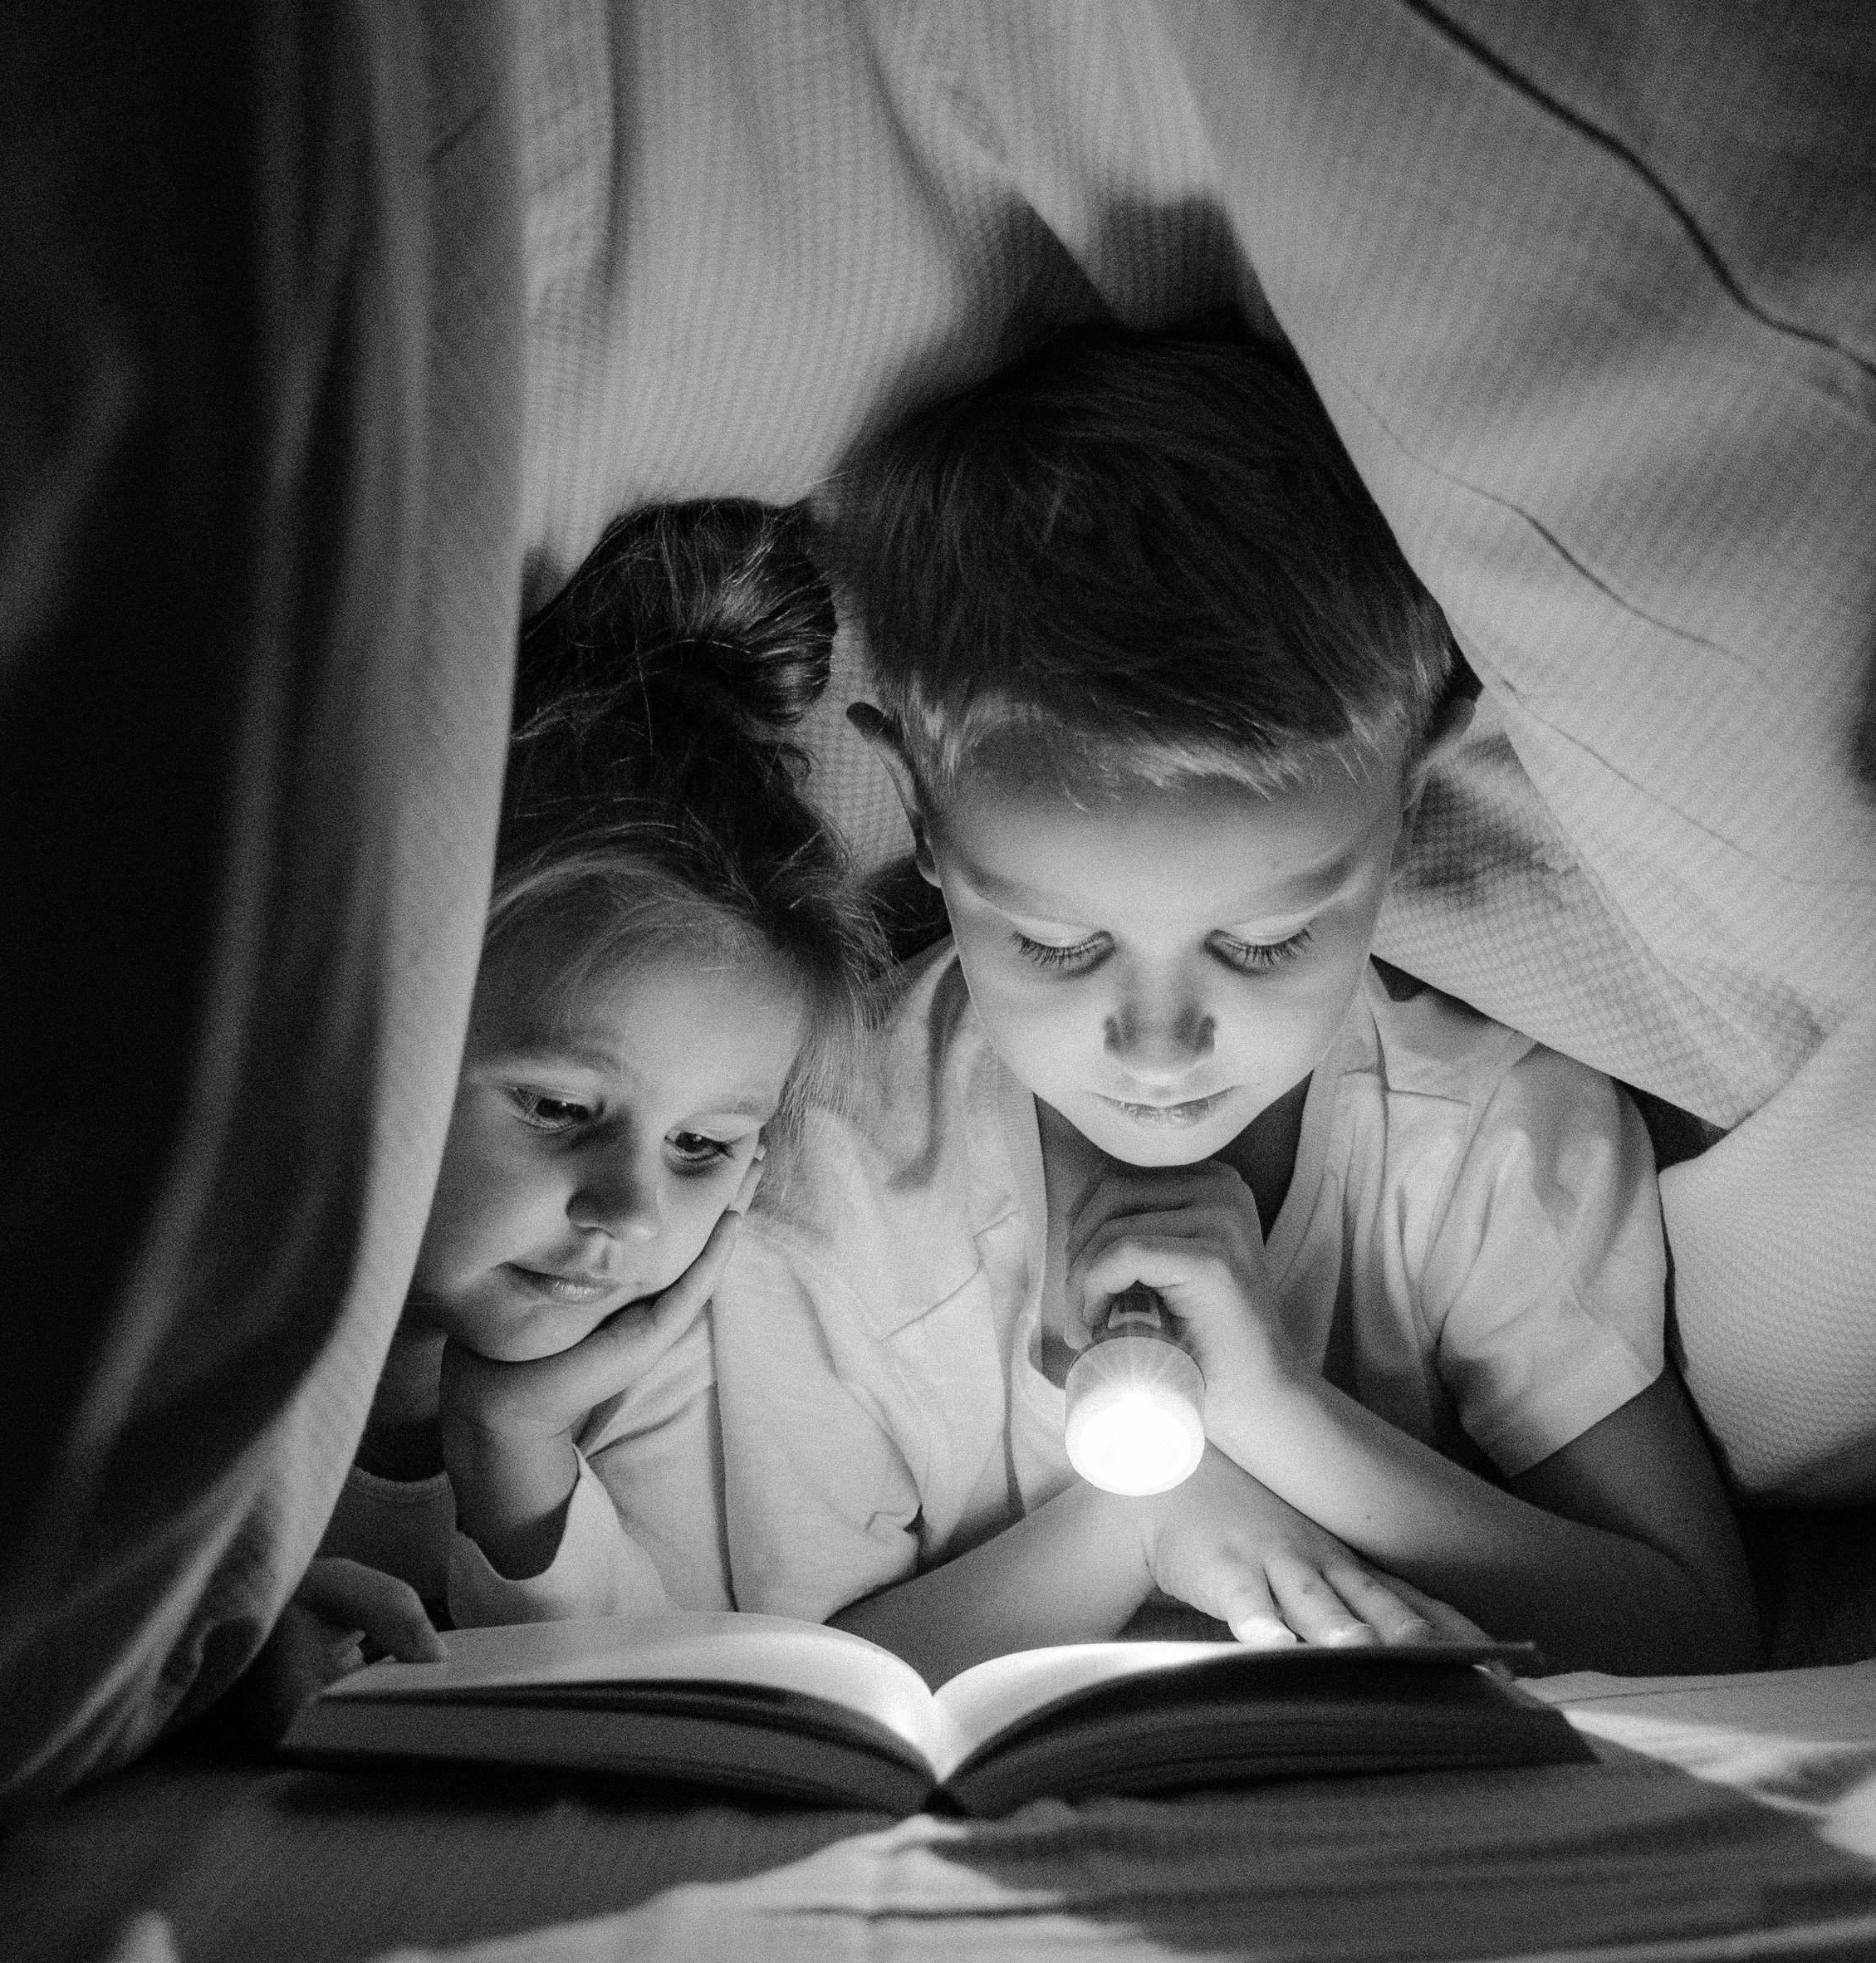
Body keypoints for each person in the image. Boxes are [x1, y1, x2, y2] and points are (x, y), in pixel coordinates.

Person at [725, 320, 1761, 1682]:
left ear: (1408, 801)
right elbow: (786, 1681)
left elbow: (1697, 1628)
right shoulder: (828, 1161)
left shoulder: (1490, 1141)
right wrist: (1142, 1526)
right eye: (1053, 943)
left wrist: (1273, 1409)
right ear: (918, 808)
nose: (1158, 1048)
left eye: (1267, 943)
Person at [255, 499, 878, 1695]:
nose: (631, 1215)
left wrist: (516, 1450)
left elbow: (644, 1695)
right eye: (557, 1108)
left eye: (703, 1143)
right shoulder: (221, 1333)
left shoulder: (664, 1363)